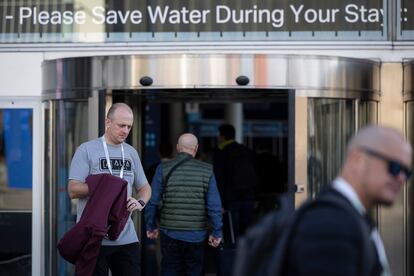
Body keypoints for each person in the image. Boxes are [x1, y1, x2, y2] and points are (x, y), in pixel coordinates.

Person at [283, 125, 412, 276]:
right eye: (394, 167)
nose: (401, 178)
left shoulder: (350, 217)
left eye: (407, 172)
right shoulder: (331, 224)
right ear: (358, 159)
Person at [68, 103, 151, 276]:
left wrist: (140, 202)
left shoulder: (131, 152)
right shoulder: (87, 150)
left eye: (129, 126)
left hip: (126, 236)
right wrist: (105, 187)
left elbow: (144, 188)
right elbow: (73, 190)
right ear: (107, 122)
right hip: (93, 238)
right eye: (121, 125)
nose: (125, 130)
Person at [145, 133, 223, 276]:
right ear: (196, 148)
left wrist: (151, 226)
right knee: (194, 271)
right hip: (197, 234)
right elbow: (214, 206)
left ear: (178, 148)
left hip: (169, 232)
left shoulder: (163, 168)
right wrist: (216, 232)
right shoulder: (207, 170)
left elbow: (153, 201)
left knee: (170, 269)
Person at [212, 123, 257, 239]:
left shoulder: (220, 152)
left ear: (222, 137)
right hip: (248, 196)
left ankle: (235, 256)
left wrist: (219, 202)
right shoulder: (246, 150)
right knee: (247, 232)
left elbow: (219, 178)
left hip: (231, 199)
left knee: (232, 233)